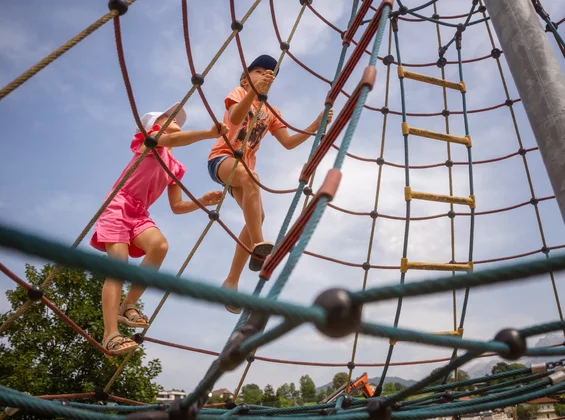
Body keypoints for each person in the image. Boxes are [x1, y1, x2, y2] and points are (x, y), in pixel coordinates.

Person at [90, 102, 229, 356]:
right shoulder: (149, 140)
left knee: (159, 245)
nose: (175, 118)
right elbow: (171, 138)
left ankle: (128, 304)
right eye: (169, 116)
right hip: (119, 204)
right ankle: (110, 334)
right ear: (154, 124)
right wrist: (209, 134)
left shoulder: (175, 167)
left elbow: (176, 206)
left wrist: (203, 201)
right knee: (118, 269)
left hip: (139, 212)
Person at [207, 54, 333, 314]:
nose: (265, 74)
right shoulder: (240, 91)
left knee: (258, 216)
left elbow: (288, 143)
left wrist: (315, 125)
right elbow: (233, 118)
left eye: (269, 72)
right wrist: (253, 92)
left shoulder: (272, 112)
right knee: (252, 182)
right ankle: (259, 247)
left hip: (245, 170)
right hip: (223, 159)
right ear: (246, 77)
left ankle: (231, 281)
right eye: (258, 71)